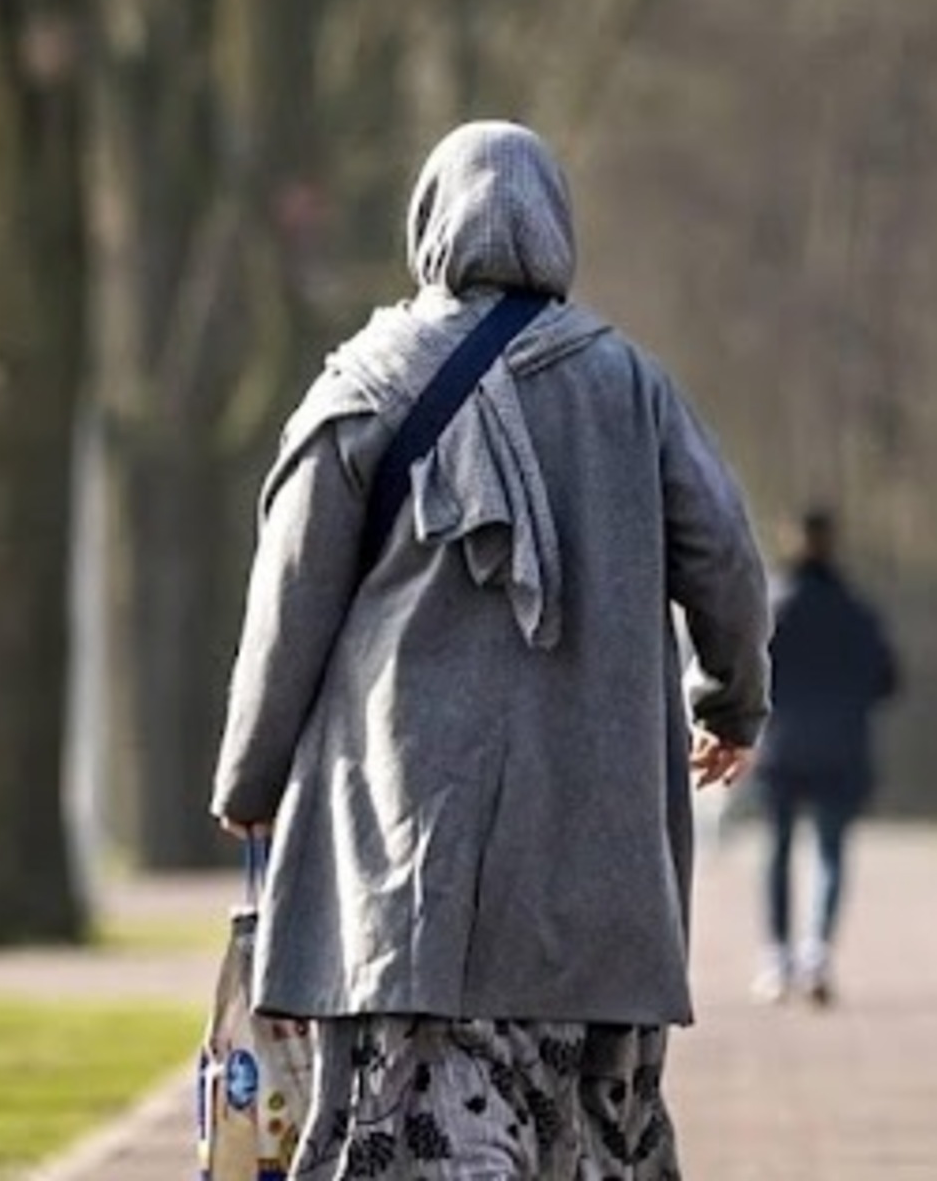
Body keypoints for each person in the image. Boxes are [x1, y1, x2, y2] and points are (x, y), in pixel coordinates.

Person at [213, 121, 774, 1181]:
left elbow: (289, 600)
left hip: (407, 866)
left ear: (429, 226)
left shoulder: (363, 387)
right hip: (594, 870)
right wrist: (731, 704)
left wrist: (251, 774)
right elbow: (728, 561)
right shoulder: (634, 390)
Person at [752, 509, 901, 1005]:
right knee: (831, 852)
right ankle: (816, 952)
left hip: (779, 747)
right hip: (841, 747)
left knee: (776, 851)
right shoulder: (857, 610)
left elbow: (743, 668)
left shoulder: (768, 607)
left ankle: (776, 957)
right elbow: (887, 680)